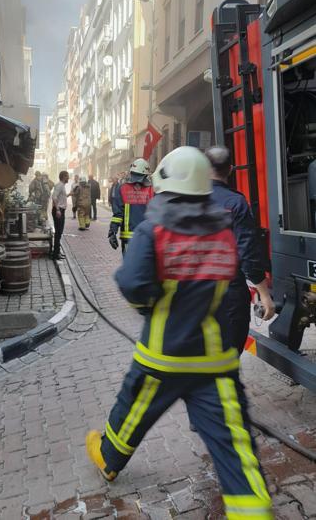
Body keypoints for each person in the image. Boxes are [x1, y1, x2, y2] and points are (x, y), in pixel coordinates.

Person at [86, 147, 274, 520]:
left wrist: (150, 305)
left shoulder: (154, 230)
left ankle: (108, 459)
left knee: (132, 408)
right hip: (215, 359)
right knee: (233, 441)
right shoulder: (221, 231)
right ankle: (253, 511)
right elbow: (229, 278)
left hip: (163, 354)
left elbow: (132, 283)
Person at [205, 147, 275, 354]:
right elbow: (247, 252)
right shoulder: (234, 202)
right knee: (227, 355)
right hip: (227, 294)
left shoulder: (185, 200)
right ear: (231, 169)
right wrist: (264, 294)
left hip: (191, 293)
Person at [108, 159, 153, 254]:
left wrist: (112, 232)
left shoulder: (122, 188)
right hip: (146, 237)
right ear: (146, 175)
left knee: (130, 267)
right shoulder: (151, 190)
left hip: (128, 239)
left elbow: (118, 214)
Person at [51, 171, 69, 261]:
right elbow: (54, 197)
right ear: (63, 177)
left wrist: (69, 194)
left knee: (59, 232)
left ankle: (57, 252)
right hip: (59, 211)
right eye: (67, 177)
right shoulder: (60, 185)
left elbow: (61, 198)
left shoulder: (62, 186)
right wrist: (57, 210)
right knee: (58, 232)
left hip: (61, 210)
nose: (68, 178)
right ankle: (55, 254)